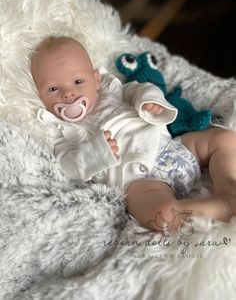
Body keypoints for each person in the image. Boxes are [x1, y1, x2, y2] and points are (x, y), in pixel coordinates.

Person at [31, 36, 236, 232]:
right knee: (162, 216)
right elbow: (67, 166)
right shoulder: (60, 129)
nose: (68, 93)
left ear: (95, 79)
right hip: (140, 182)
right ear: (40, 95)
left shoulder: (112, 90)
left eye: (77, 81)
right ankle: (224, 208)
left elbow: (141, 88)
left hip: (170, 148)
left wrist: (148, 101)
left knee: (223, 139)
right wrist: (95, 153)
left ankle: (227, 184)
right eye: (53, 88)